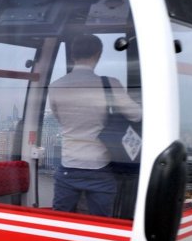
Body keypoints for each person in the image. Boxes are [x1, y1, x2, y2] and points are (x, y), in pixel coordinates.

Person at [49, 34, 142, 217]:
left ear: (72, 55)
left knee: (61, 221)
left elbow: (59, 118)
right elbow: (137, 115)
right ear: (98, 54)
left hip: (68, 165)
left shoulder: (55, 86)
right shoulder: (109, 84)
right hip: (100, 166)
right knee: (101, 223)